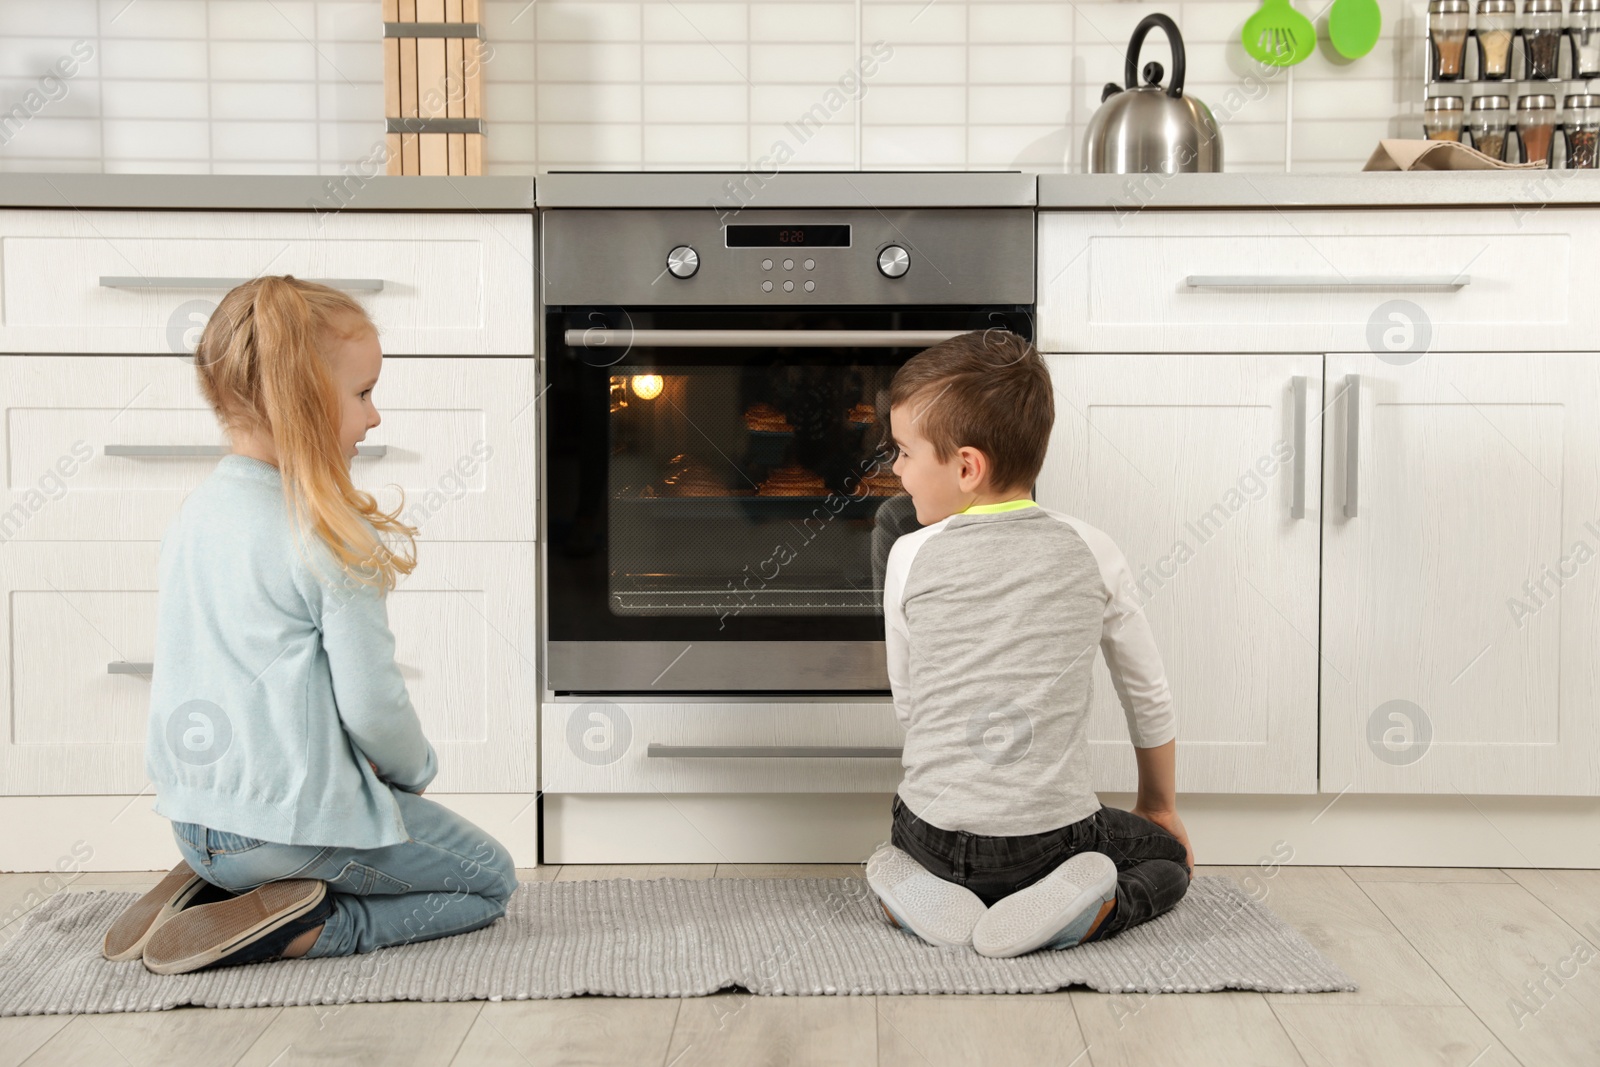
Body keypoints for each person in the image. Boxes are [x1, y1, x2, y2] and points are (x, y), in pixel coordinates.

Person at [103, 276, 516, 975]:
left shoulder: (196, 516)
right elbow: (372, 704)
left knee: (269, 835)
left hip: (196, 819)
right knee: (489, 877)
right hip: (288, 830)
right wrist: (413, 769)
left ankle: (212, 883)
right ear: (300, 398)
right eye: (362, 394)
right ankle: (307, 923)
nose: (375, 416)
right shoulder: (326, 532)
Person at [864, 329, 1195, 959]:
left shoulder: (908, 554)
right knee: (1170, 860)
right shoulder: (1093, 549)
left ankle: (908, 880)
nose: (897, 470)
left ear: (966, 466)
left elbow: (913, 704)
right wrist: (1159, 807)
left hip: (925, 829)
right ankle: (1082, 908)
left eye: (905, 453)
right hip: (1049, 842)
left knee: (920, 841)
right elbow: (1146, 692)